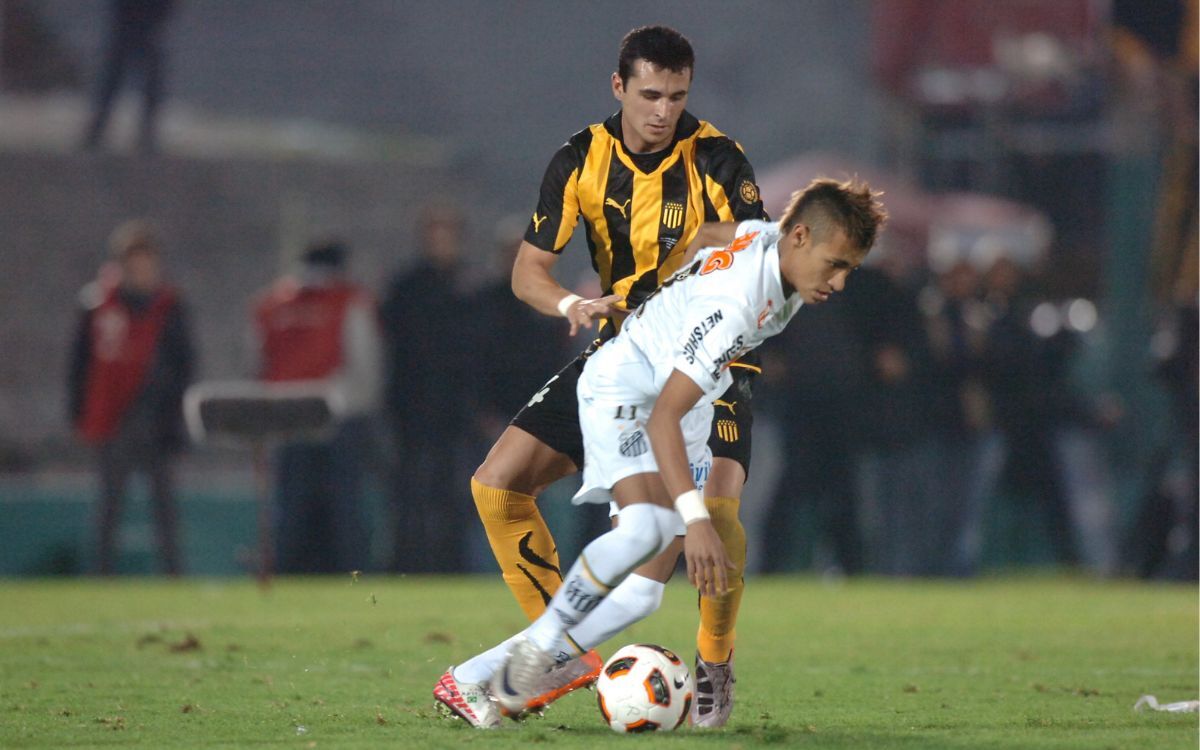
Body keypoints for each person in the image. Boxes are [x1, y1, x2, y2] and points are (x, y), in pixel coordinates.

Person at [434, 178, 887, 728]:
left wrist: (672, 294)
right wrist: (695, 521)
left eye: (850, 269)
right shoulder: (735, 306)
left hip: (690, 399)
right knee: (643, 532)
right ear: (799, 237)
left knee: (643, 595)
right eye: (834, 264)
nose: (839, 282)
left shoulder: (770, 238)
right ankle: (520, 664)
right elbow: (662, 417)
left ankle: (473, 678)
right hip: (628, 388)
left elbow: (708, 233)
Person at [466, 25, 768, 727]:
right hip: (620, 353)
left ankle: (714, 662)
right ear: (619, 87)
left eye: (678, 95)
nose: (664, 110)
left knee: (716, 516)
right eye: (651, 94)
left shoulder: (718, 158)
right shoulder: (579, 159)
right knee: (496, 485)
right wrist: (572, 302)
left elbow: (765, 242)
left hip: (711, 359)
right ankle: (561, 649)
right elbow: (527, 272)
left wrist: (704, 240)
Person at [68, 219, 194, 575]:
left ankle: (174, 575)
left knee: (165, 506)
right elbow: (80, 364)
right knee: (109, 503)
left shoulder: (169, 306)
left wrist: (171, 409)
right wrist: (80, 412)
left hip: (156, 417)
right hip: (114, 415)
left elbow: (184, 362)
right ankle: (101, 575)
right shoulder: (96, 304)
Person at [250, 240, 382, 574]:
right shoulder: (349, 300)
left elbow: (256, 363)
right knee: (344, 509)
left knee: (289, 509)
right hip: (339, 417)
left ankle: (285, 576)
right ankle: (352, 576)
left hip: (283, 416)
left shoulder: (271, 303)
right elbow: (364, 366)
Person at [380, 207, 479, 573]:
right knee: (410, 493)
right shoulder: (407, 288)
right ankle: (407, 563)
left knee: (455, 495)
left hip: (457, 412)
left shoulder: (469, 288)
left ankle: (452, 565)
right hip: (413, 408)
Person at [83, 0, 176, 153]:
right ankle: (99, 132)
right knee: (123, 80)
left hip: (138, 23)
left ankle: (98, 132)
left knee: (119, 80)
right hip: (138, 23)